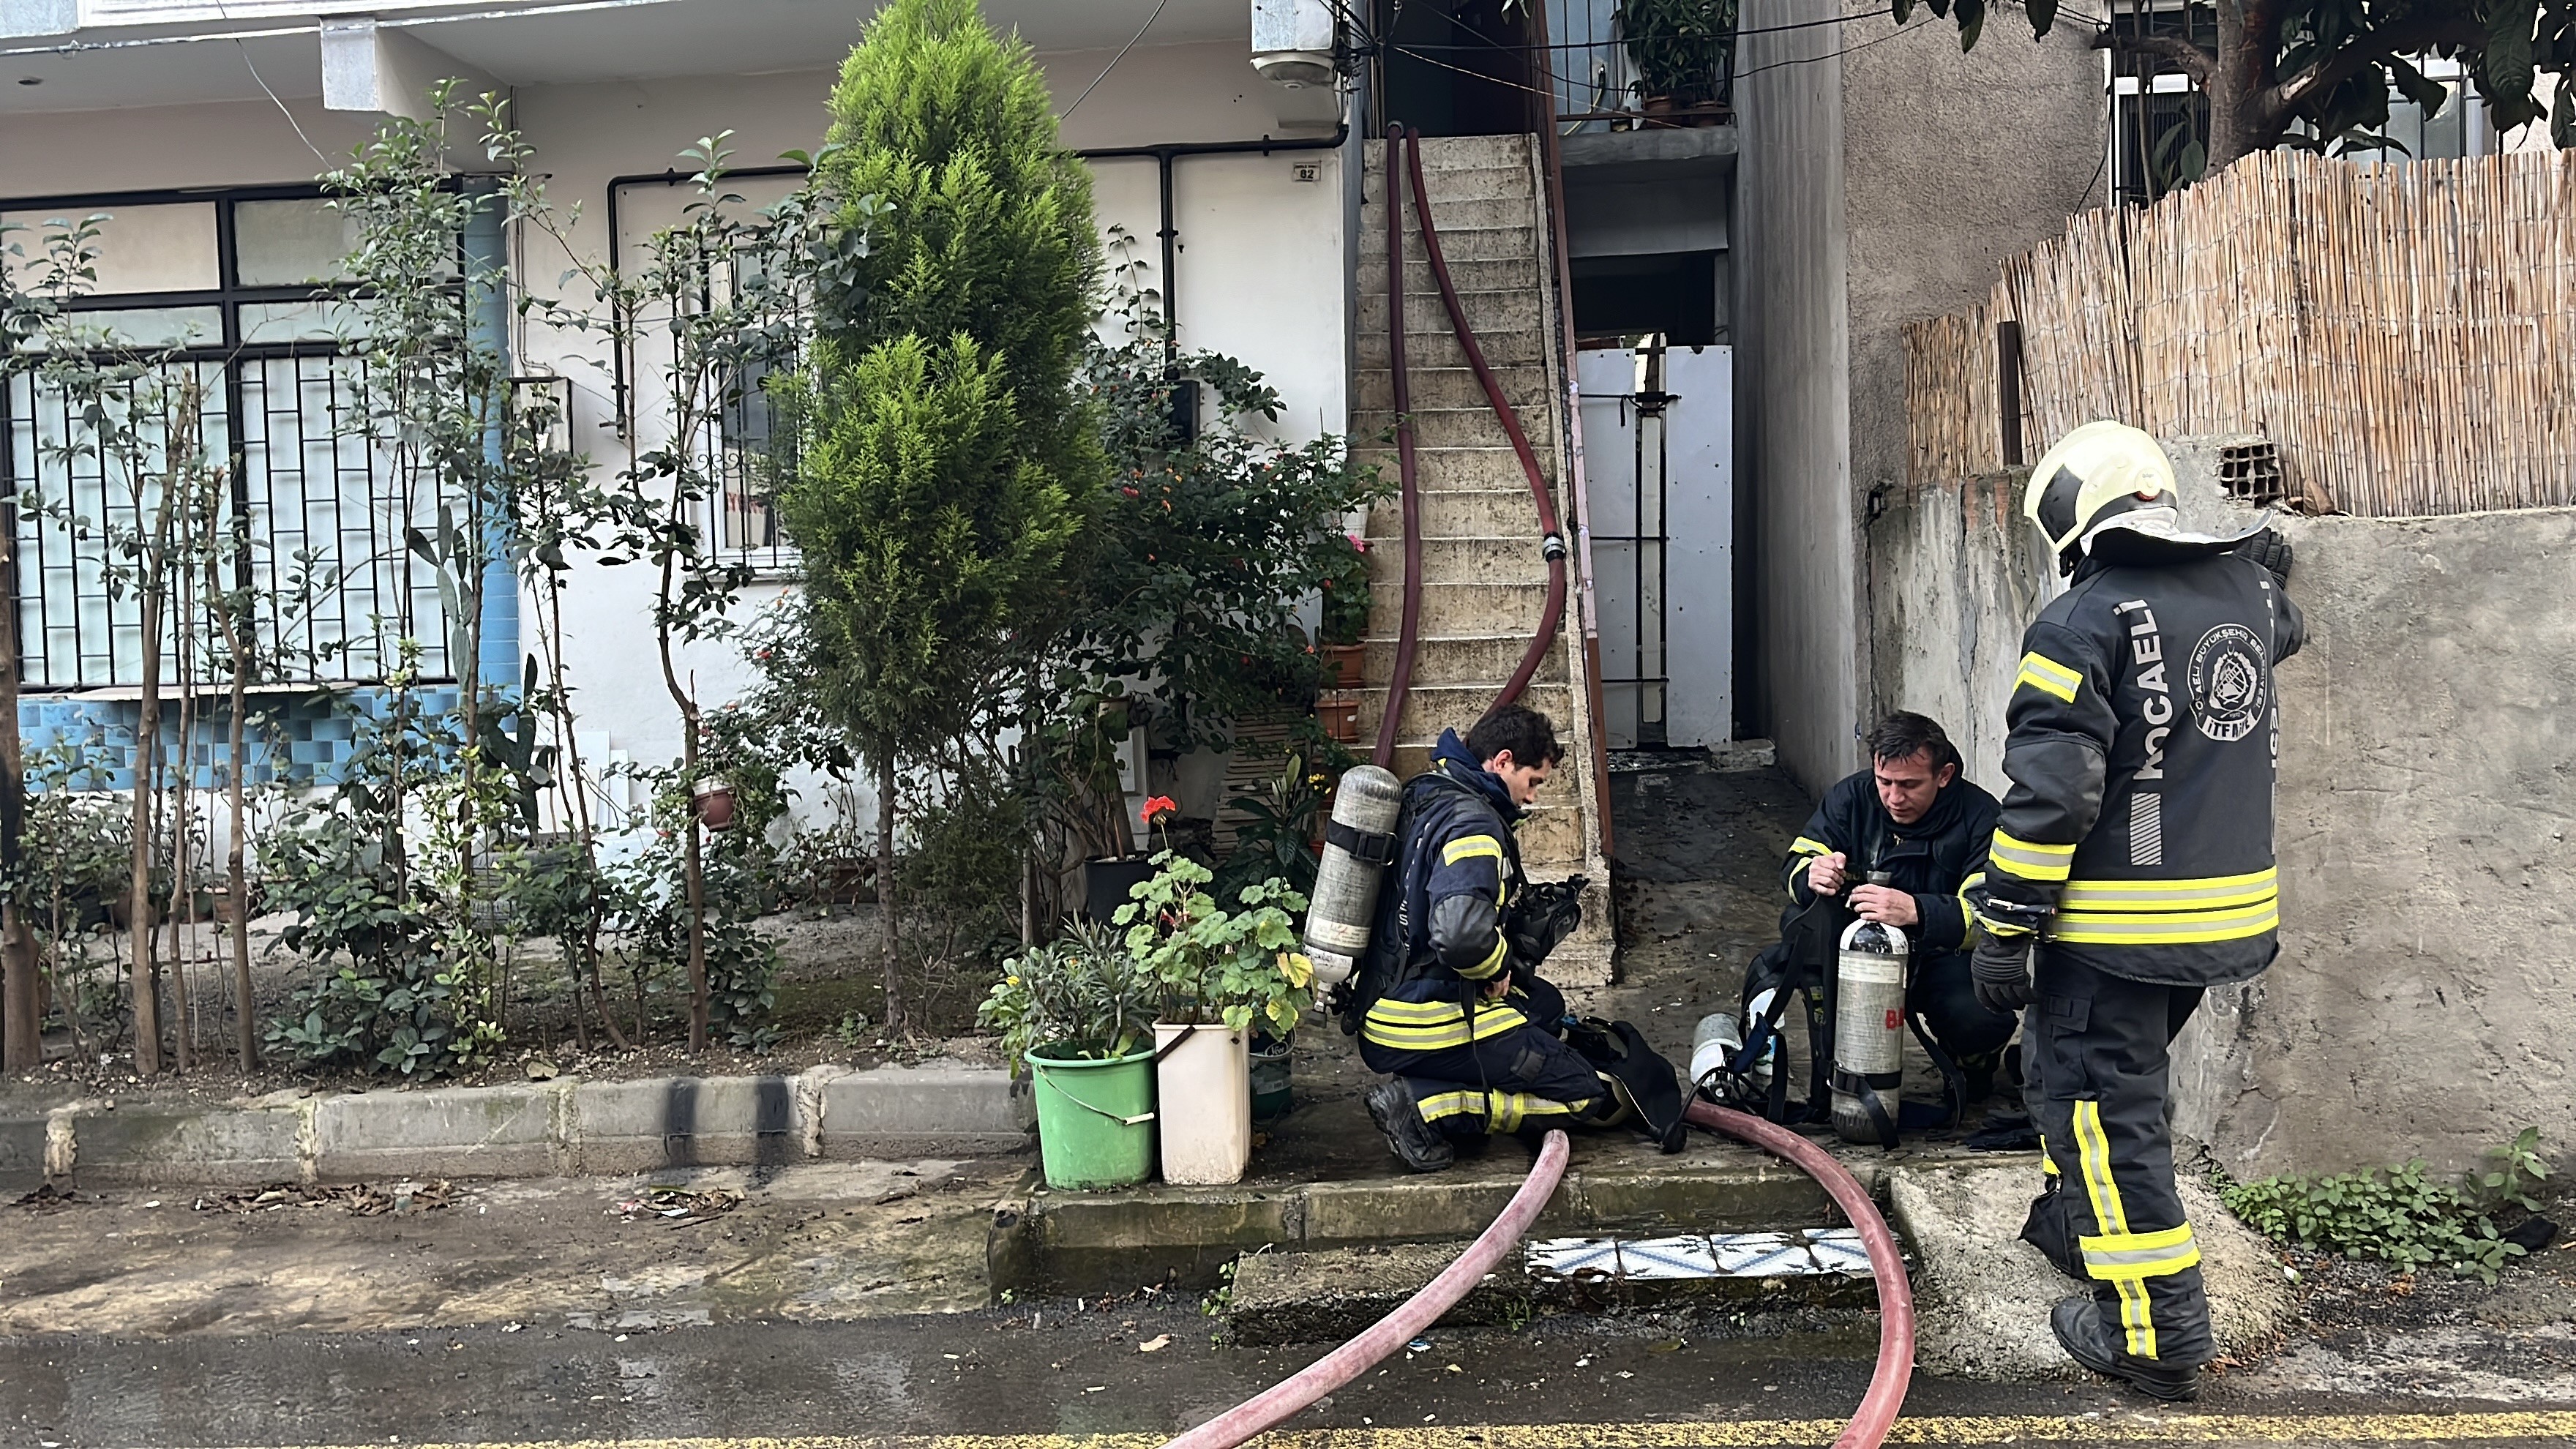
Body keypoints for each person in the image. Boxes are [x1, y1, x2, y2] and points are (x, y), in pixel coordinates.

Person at [1969, 419, 2301, 1403]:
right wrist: (2270, 559)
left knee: (2109, 1125)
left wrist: (2003, 924)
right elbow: (2284, 623)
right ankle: (2084, 1232)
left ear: (2070, 524)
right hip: (2218, 925)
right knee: (2075, 1092)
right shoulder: (2253, 595)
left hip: (2114, 934)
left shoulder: (2080, 623)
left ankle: (2156, 1335)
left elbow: (2052, 802)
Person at [1356, 705, 1610, 1172]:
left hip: (1381, 1001)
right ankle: (1421, 1105)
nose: (1532, 798)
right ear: (1502, 761)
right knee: (1582, 1092)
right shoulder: (1473, 823)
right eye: (1533, 781)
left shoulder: (1428, 794)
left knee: (1547, 1006)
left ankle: (1432, 1077)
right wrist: (1497, 969)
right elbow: (1459, 936)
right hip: (1418, 1017)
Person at [1746, 711, 2016, 1101]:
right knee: (1799, 932)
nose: (1893, 798)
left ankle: (1974, 1062)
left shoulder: (1981, 817)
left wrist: (1918, 912)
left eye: (1909, 785)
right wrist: (1811, 874)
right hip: (1856, 954)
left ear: (1944, 775)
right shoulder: (1852, 797)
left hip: (1941, 957)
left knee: (1977, 1014)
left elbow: (1988, 915)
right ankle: (1835, 1063)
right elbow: (1798, 860)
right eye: (1884, 782)